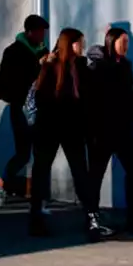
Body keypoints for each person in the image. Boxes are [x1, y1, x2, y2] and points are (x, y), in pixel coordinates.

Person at [29, 28, 112, 242]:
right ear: (70, 43)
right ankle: (36, 219)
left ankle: (91, 218)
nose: (82, 47)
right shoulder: (50, 65)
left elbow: (90, 95)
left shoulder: (81, 66)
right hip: (50, 128)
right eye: (79, 43)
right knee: (41, 172)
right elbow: (41, 97)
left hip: (72, 129)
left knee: (80, 173)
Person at [85, 26, 133, 232]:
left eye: (128, 42)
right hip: (102, 130)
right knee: (96, 173)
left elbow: (131, 95)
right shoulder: (99, 66)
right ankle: (91, 215)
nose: (126, 46)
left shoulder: (126, 66)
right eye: (123, 42)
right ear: (112, 42)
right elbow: (93, 99)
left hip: (124, 129)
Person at [0, 14, 49, 208]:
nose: (43, 35)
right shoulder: (14, 52)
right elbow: (6, 85)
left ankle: (38, 201)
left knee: (41, 155)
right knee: (24, 154)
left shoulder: (43, 51)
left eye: (44, 32)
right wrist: (37, 67)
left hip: (41, 110)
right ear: (30, 32)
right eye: (40, 31)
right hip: (21, 110)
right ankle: (2, 181)